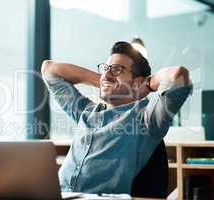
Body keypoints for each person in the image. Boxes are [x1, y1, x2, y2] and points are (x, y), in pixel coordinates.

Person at [41, 41, 192, 194]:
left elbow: (178, 75)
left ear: (137, 81)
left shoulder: (146, 119)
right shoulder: (86, 111)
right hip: (55, 194)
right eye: (105, 68)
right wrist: (104, 80)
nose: (107, 74)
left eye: (117, 70)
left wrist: (144, 85)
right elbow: (49, 70)